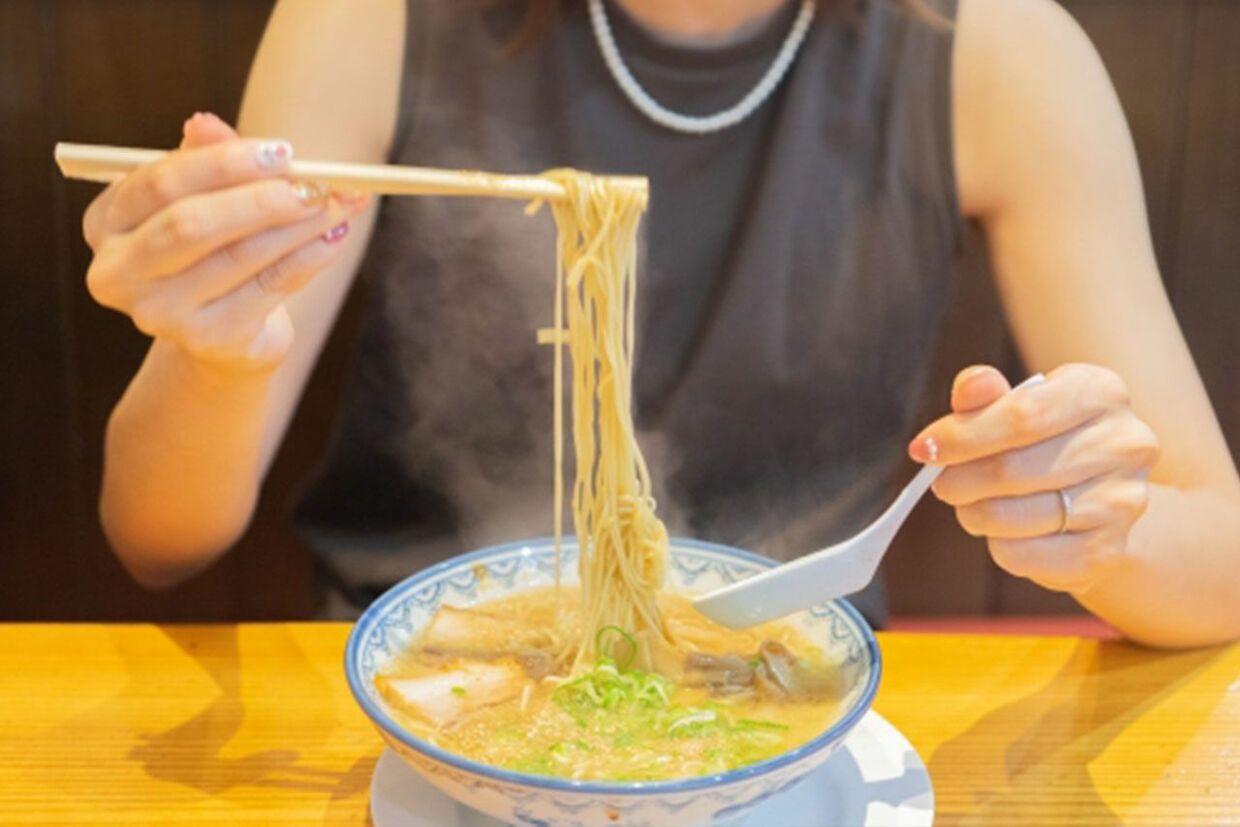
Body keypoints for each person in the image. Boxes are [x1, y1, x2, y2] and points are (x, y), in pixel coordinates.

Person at [80, 0, 1240, 647]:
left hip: (790, 687)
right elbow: (156, 534)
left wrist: (1090, 519)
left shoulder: (992, 50)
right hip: (417, 684)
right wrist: (217, 349)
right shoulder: (375, 17)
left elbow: (1219, 563)